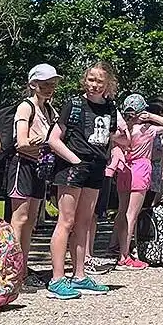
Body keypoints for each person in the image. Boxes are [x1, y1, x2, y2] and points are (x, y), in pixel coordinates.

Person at [46, 62, 123, 300]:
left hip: (96, 167)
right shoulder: (74, 104)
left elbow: (110, 137)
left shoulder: (110, 108)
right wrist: (74, 160)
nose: (94, 85)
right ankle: (57, 278)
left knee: (85, 222)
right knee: (66, 221)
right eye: (90, 79)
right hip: (73, 167)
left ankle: (80, 275)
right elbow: (54, 139)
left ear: (107, 84)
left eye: (99, 81)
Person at [5, 64, 72, 289]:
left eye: (52, 84)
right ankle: (11, 272)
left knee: (31, 221)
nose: (50, 88)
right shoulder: (26, 107)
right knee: (19, 219)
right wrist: (44, 143)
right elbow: (21, 142)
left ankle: (21, 271)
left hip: (39, 167)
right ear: (33, 84)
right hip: (23, 165)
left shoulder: (49, 109)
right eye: (45, 84)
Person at [110, 94, 163, 270]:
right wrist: (151, 116)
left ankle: (116, 247)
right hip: (141, 170)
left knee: (122, 211)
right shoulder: (148, 129)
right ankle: (125, 256)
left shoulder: (122, 130)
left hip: (124, 169)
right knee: (131, 215)